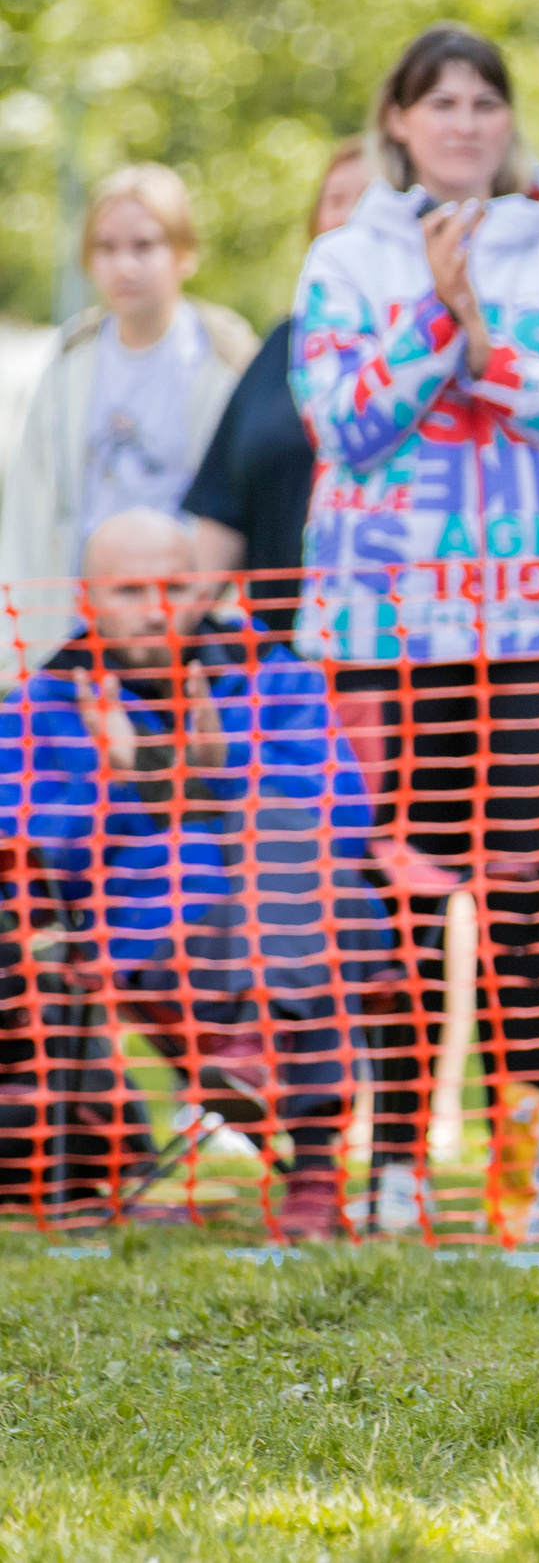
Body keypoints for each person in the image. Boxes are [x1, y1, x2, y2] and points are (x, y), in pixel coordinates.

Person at [290, 21, 539, 1241]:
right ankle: (394, 1168)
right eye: (437, 103)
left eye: (482, 101)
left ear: (507, 119)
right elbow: (343, 427)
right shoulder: (342, 260)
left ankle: (529, 1174)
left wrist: (486, 348)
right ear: (397, 119)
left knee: (524, 893)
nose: (462, 123)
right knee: (398, 893)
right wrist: (441, 324)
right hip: (390, 629)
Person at [0, 509, 392, 1238]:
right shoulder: (39, 705)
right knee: (324, 917)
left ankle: (258, 1034)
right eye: (129, 592)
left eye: (175, 586)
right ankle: (310, 1162)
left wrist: (222, 771)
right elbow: (30, 864)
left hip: (297, 904)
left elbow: (342, 814)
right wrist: (123, 784)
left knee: (299, 863)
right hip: (152, 937)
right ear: (87, 600)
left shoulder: (273, 675)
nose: (156, 611)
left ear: (203, 590)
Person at [0, 164, 257, 681]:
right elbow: (32, 510)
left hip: (185, 634)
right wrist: (23, 644)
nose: (125, 265)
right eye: (107, 247)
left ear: (183, 252)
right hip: (79, 633)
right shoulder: (68, 363)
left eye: (144, 246)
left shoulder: (225, 360)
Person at [184, 136, 374, 625]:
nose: (349, 217)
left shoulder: (442, 350)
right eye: (334, 200)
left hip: (391, 648)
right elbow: (223, 512)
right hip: (278, 666)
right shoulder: (281, 347)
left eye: (371, 197)